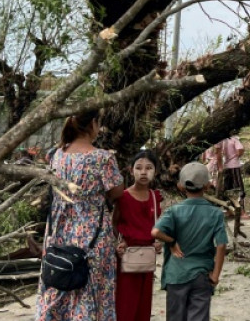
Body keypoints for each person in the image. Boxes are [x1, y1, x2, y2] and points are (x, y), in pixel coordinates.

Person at [37, 111, 124, 321]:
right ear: (93, 124)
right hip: (92, 237)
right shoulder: (102, 158)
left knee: (59, 281)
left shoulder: (55, 155)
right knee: (91, 288)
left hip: (58, 234)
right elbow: (117, 192)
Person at [152, 162, 228, 321]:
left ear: (180, 186)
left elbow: (156, 232)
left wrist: (172, 242)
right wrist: (215, 275)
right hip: (202, 274)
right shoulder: (215, 213)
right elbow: (221, 245)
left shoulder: (173, 211)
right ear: (207, 186)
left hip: (176, 275)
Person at [114, 150, 164, 321]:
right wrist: (119, 242)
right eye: (139, 168)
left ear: (156, 171)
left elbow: (156, 225)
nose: (143, 172)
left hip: (147, 257)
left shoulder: (155, 197)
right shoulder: (123, 197)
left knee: (144, 304)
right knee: (126, 304)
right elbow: (114, 223)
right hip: (127, 256)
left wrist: (157, 241)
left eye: (149, 168)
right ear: (131, 170)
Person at [214, 133, 250, 219]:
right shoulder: (233, 139)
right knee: (239, 188)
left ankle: (229, 210)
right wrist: (236, 156)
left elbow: (218, 153)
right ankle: (242, 212)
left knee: (227, 188)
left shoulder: (220, 139)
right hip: (234, 166)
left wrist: (220, 167)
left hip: (226, 166)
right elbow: (240, 149)